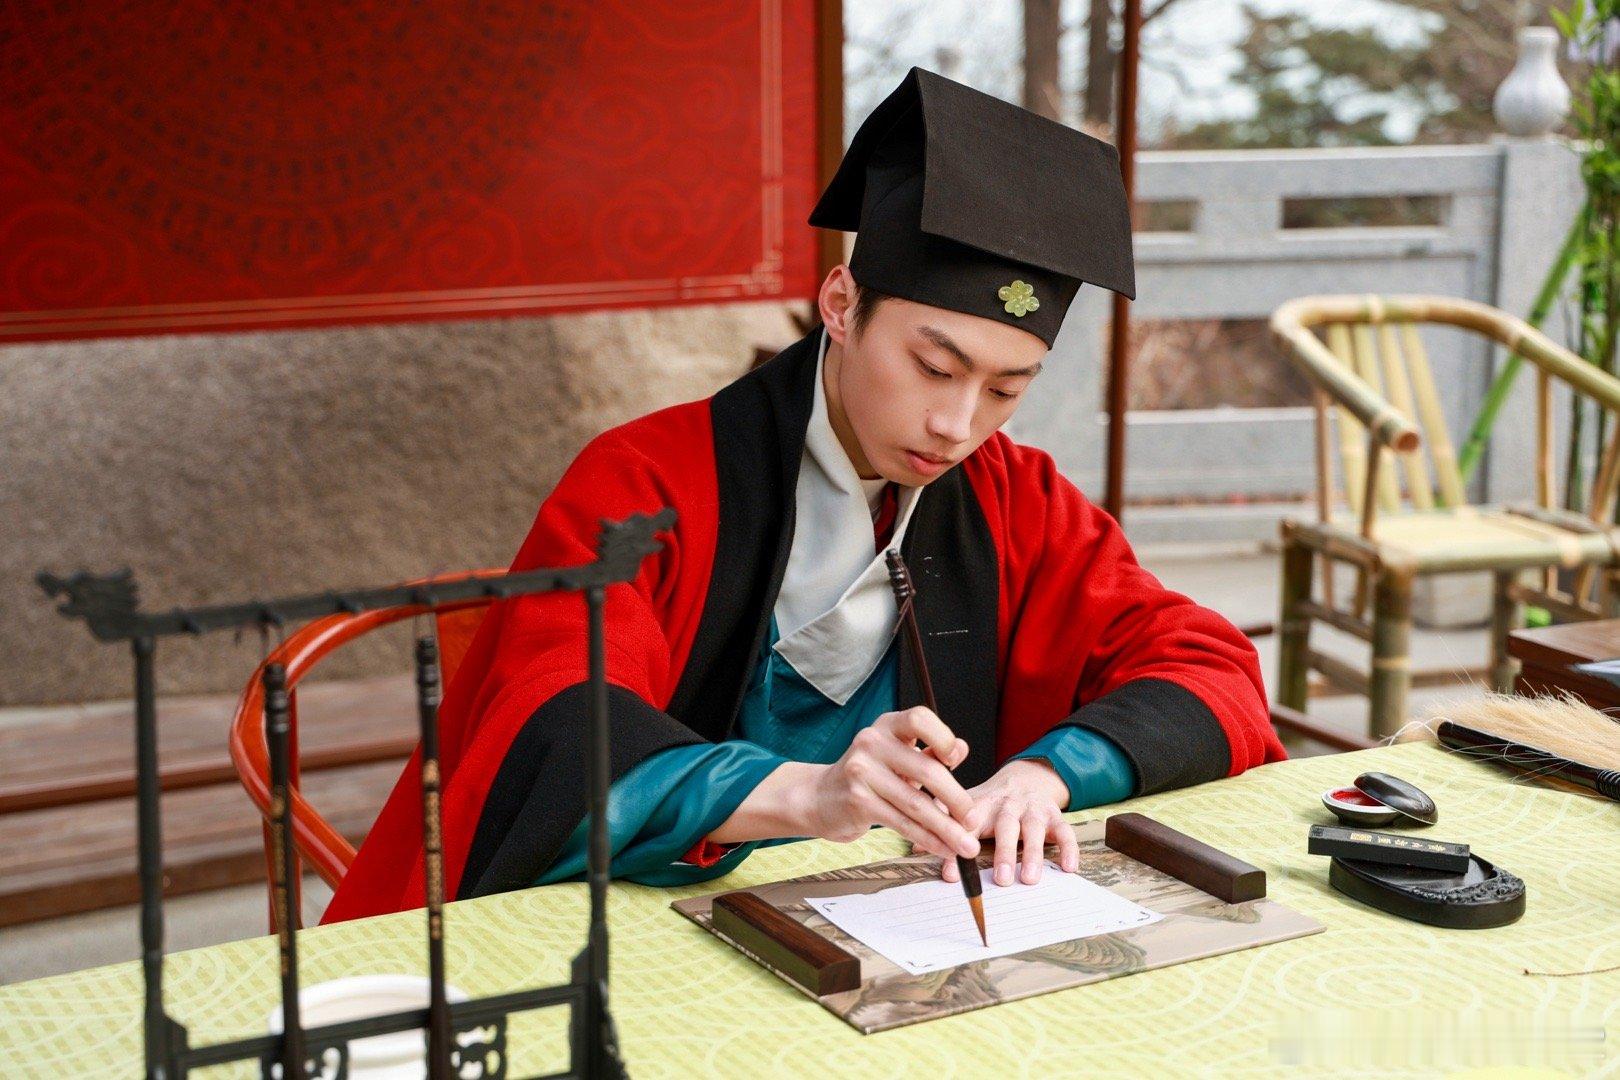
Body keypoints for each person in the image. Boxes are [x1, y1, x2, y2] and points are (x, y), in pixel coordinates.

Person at [323, 68, 1283, 925]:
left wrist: (1046, 772)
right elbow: (557, 735)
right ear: (840, 306)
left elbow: (1209, 668)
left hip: (906, 926)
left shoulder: (1016, 497)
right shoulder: (645, 483)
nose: (957, 425)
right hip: (655, 921)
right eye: (933, 366)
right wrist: (812, 794)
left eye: (1005, 389)